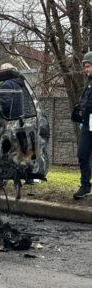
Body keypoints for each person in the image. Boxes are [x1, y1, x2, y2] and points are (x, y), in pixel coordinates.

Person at [72, 51, 92, 199]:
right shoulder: (89, 82)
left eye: (88, 66)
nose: (86, 69)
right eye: (85, 66)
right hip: (86, 125)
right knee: (82, 154)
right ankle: (85, 186)